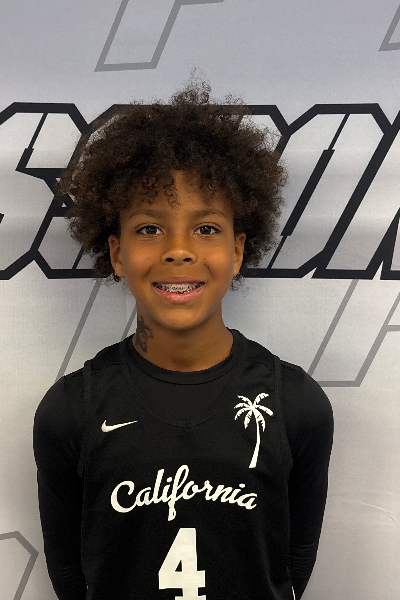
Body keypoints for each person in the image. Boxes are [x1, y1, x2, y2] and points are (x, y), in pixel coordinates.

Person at [33, 80, 333, 600]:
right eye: (149, 229)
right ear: (117, 253)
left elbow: (293, 564)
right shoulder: (70, 410)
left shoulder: (297, 404)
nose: (179, 250)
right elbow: (68, 573)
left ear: (237, 251)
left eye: (207, 228)